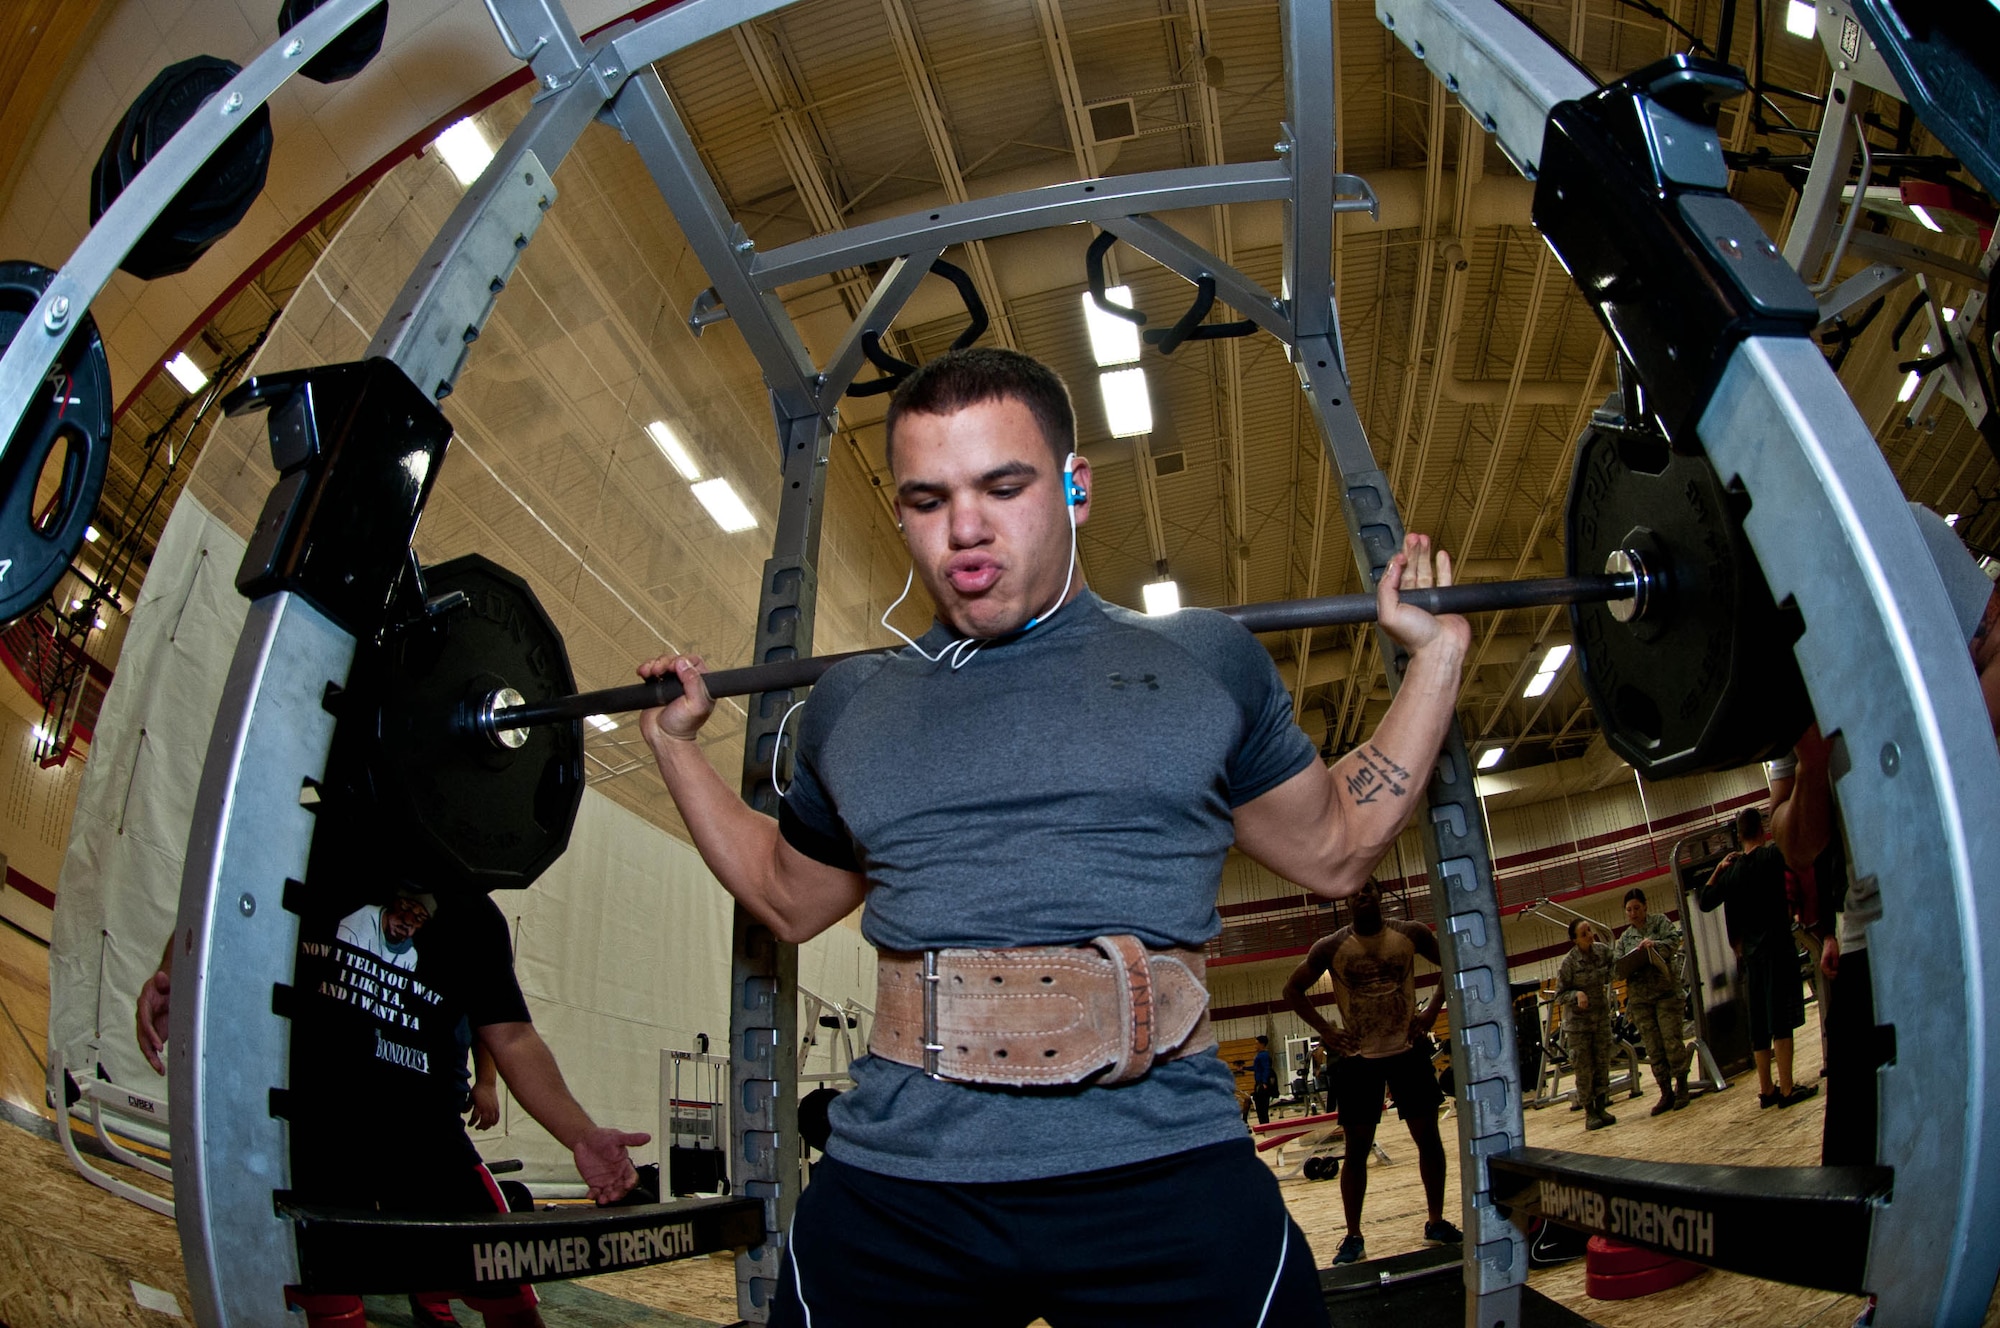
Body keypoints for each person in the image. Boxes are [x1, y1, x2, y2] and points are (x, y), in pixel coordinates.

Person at [637, 347, 1471, 1325]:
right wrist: (675, 747)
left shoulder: (1200, 659)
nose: (965, 530)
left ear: (1075, 486)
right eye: (928, 499)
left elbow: (1335, 847)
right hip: (904, 1181)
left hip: (1161, 1164)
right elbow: (786, 898)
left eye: (1003, 487)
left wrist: (1436, 660)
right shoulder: (850, 703)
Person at [136, 884, 648, 1328]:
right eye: (404, 916)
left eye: (417, 920)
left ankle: (431, 1297)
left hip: (427, 1137)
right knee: (330, 1305)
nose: (408, 926)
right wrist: (174, 974)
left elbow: (513, 1037)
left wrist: (580, 1134)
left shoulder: (475, 916)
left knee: (509, 1295)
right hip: (315, 1132)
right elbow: (221, 896)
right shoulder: (317, 847)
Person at [1281, 880, 1459, 1266]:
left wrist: (1432, 1011)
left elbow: (1453, 959)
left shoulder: (1410, 934)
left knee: (1428, 1140)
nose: (1361, 895)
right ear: (1345, 900)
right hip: (1359, 1057)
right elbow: (1292, 990)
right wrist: (1326, 1030)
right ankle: (1353, 1236)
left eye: (1367, 889)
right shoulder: (1330, 947)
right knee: (1357, 1151)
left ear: (1379, 894)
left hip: (1407, 1050)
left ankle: (1436, 1221)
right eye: (1354, 892)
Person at [1700, 806, 1819, 1109]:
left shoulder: (1732, 871)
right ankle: (1788, 1089)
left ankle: (1766, 1089)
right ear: (1762, 829)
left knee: (1760, 1024)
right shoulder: (1774, 856)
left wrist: (1718, 870)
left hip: (1751, 957)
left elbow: (1706, 901)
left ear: (1739, 835)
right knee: (1781, 1021)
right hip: (1778, 948)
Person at [1612, 888, 1691, 1115]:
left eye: (1637, 908)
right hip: (1641, 1000)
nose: (1633, 913)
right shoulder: (1625, 938)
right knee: (1653, 1048)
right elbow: (1616, 968)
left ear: (1645, 906)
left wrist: (1654, 945)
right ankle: (1666, 1092)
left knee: (1671, 1041)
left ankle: (1682, 1086)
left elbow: (1674, 941)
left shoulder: (1660, 923)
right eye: (1629, 910)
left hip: (1666, 994)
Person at [1556, 918, 1618, 1130]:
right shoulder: (1569, 963)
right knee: (1584, 1069)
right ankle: (1589, 1112)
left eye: (1590, 930)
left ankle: (1601, 1106)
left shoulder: (1601, 951)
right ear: (1575, 940)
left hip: (1600, 1019)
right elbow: (1559, 995)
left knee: (1602, 1064)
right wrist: (1576, 994)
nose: (1590, 935)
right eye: (1584, 934)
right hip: (1578, 1025)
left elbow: (1615, 965)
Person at [1250, 1034, 1276, 1124]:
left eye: (1257, 1043)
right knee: (1259, 1108)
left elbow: (1266, 1069)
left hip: (1262, 1084)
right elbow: (1256, 1068)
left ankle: (1265, 1125)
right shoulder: (1259, 1055)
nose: (1255, 1045)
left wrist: (1264, 1082)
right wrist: (1244, 1068)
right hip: (1259, 1082)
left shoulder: (1264, 1055)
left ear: (1262, 1044)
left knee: (1262, 1107)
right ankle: (1263, 1124)